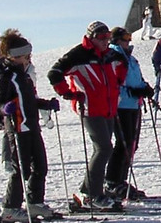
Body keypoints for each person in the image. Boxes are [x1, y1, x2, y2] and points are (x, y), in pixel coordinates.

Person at [47, 21, 127, 211]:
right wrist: (66, 92)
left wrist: (118, 82)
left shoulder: (108, 54)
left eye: (107, 37)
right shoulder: (79, 54)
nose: (105, 41)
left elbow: (122, 63)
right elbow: (54, 72)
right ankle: (92, 194)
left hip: (108, 107)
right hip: (89, 108)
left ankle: (89, 190)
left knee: (105, 148)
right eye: (101, 38)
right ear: (91, 37)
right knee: (103, 149)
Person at [0, 29, 60, 223]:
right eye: (26, 54)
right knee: (20, 169)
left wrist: (46, 104)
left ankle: (34, 203)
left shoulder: (24, 75)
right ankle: (10, 208)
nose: (29, 57)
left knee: (40, 166)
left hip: (32, 126)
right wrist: (4, 108)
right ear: (15, 56)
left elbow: (31, 100)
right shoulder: (6, 74)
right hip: (17, 128)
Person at [106, 27, 154, 200]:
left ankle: (120, 179)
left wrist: (144, 87)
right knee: (123, 143)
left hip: (133, 105)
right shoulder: (114, 57)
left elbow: (135, 79)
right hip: (121, 105)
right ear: (116, 40)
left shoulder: (130, 58)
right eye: (125, 38)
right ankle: (112, 181)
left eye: (129, 37)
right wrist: (132, 93)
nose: (128, 41)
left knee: (131, 144)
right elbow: (114, 85)